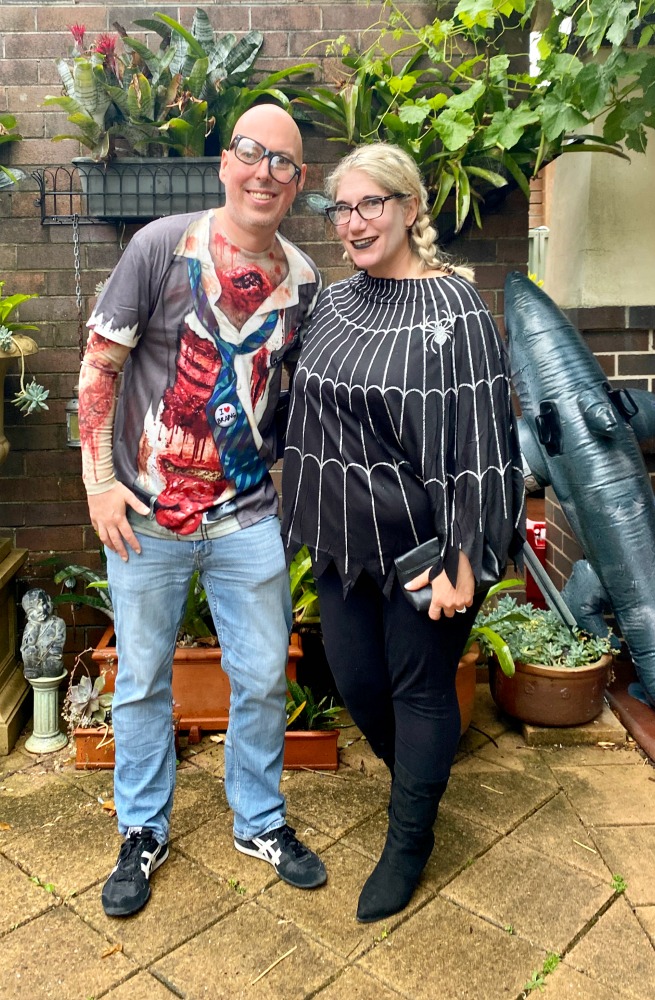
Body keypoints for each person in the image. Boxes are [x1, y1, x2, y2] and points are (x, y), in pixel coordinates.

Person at [78, 104, 326, 919]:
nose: (265, 173)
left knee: (259, 676)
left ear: (296, 185)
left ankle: (257, 819)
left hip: (248, 515)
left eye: (283, 163)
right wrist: (99, 482)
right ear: (225, 162)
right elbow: (98, 367)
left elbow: (290, 395)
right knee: (142, 681)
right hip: (144, 516)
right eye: (253, 154)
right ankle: (142, 829)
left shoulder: (303, 281)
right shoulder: (160, 246)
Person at [282, 143, 525, 923]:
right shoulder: (332, 302)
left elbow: (483, 445)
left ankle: (409, 837)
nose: (352, 223)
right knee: (355, 683)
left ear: (410, 208)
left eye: (370, 205)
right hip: (341, 544)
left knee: (419, 690)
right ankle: (417, 784)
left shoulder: (454, 311)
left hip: (425, 548)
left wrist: (464, 557)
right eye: (340, 209)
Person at [20, 589, 66, 680]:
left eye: (40, 604)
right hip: (34, 660)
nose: (38, 611)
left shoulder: (58, 623)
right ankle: (33, 669)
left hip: (50, 657)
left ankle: (45, 669)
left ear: (48, 600)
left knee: (53, 665)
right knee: (29, 650)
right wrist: (35, 627)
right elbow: (27, 644)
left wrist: (51, 651)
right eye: (31, 611)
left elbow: (59, 642)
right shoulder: (30, 626)